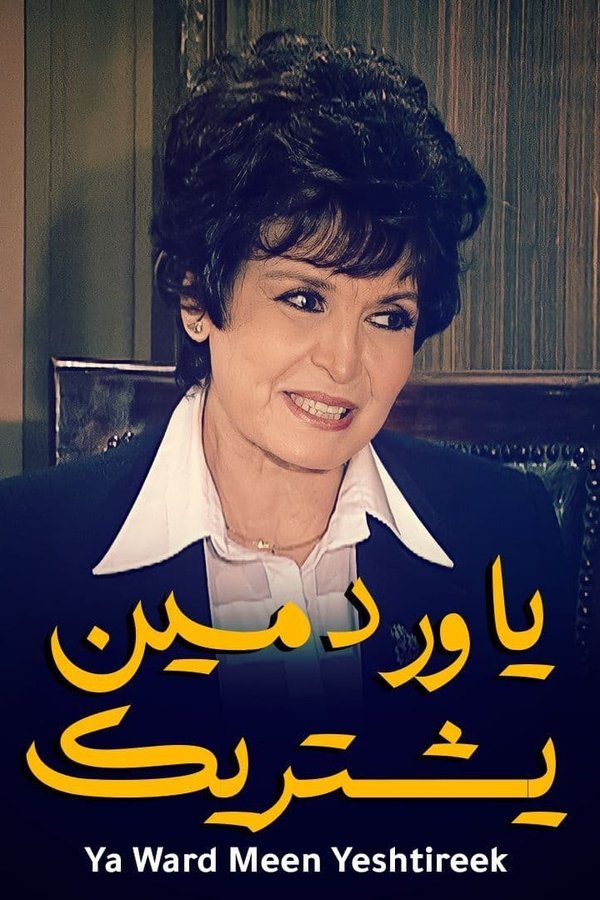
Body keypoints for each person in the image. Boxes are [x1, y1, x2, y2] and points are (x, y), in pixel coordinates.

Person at [0, 30, 580, 899]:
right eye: (304, 297)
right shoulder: (19, 555)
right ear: (197, 295)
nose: (346, 365)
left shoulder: (509, 535)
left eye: (388, 316)